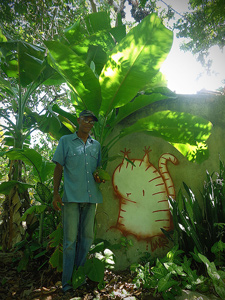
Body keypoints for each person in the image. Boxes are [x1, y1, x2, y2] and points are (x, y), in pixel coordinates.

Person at [52, 110, 103, 293]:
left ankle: (78, 278)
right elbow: (58, 168)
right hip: (71, 198)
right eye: (86, 119)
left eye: (92, 121)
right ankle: (67, 284)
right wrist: (55, 194)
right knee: (70, 241)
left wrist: (99, 178)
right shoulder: (66, 141)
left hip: (91, 198)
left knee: (87, 238)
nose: (89, 123)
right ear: (78, 120)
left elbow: (97, 171)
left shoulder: (95, 145)